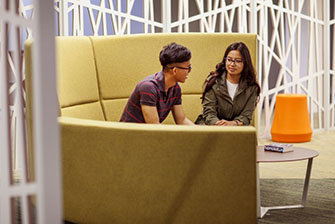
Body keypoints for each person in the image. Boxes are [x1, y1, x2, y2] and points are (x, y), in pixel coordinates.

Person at [120, 42, 194, 125]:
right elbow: (154, 127)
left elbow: (182, 120)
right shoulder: (148, 87)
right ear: (175, 70)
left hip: (148, 134)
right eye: (188, 68)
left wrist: (203, 133)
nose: (189, 72)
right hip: (130, 135)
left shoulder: (175, 88)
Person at [195, 42, 261, 126]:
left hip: (235, 130)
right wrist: (222, 126)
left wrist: (232, 124)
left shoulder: (252, 87)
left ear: (245, 63)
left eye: (238, 61)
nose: (232, 64)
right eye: (229, 60)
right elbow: (209, 114)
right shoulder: (213, 82)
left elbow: (246, 117)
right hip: (209, 127)